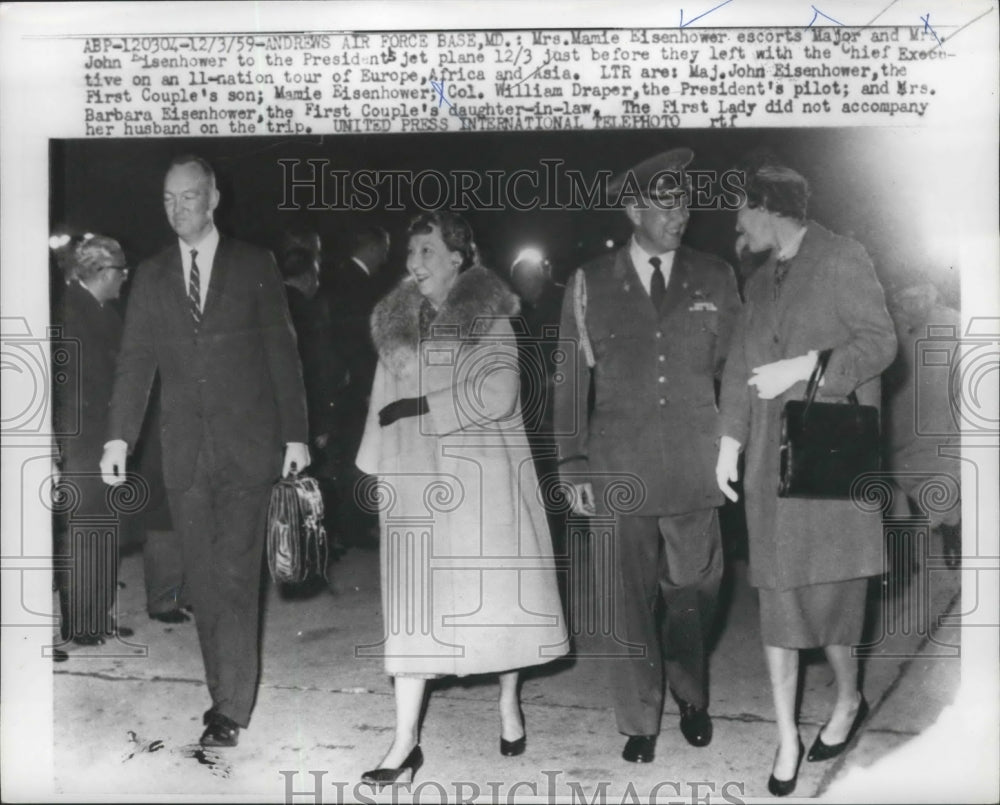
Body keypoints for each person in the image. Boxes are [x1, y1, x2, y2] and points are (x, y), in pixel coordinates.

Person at [100, 155, 309, 748]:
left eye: (188, 198)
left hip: (248, 448)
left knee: (238, 575)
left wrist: (296, 435)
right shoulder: (152, 273)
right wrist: (119, 437)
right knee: (204, 580)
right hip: (185, 452)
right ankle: (224, 690)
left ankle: (230, 708)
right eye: (167, 199)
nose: (176, 209)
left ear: (213, 199)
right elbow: (136, 361)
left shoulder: (254, 264)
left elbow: (282, 354)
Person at [355, 211, 568, 787]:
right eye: (411, 253)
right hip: (414, 481)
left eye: (427, 252)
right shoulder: (395, 318)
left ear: (458, 256)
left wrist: (425, 409)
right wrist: (374, 469)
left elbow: (498, 392)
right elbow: (382, 399)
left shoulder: (488, 312)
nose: (413, 264)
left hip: (481, 479)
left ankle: (508, 702)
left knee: (498, 604)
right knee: (413, 610)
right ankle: (404, 740)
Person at [554, 148, 741, 764]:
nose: (680, 215)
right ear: (632, 208)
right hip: (617, 468)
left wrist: (734, 443)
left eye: (685, 203)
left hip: (695, 464)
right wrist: (571, 460)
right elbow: (568, 380)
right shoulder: (588, 282)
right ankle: (638, 718)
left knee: (696, 589)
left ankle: (690, 689)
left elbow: (735, 371)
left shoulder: (715, 275)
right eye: (666, 204)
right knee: (626, 597)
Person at [715, 162, 897, 795]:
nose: (737, 224)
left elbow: (880, 344)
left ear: (768, 207)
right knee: (777, 599)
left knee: (832, 603)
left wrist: (807, 366)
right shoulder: (758, 280)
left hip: (827, 459)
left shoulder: (842, 257)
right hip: (769, 459)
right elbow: (741, 364)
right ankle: (786, 735)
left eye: (742, 210)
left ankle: (848, 700)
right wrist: (728, 442)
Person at [52, 234, 134, 647]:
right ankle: (81, 624)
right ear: (102, 273)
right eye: (121, 270)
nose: (125, 277)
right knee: (84, 535)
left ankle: (97, 617)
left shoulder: (105, 311)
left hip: (104, 441)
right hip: (80, 443)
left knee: (105, 531)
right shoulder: (68, 313)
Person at [279, 235, 348, 566]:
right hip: (308, 415)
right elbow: (321, 370)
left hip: (274, 416)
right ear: (308, 278)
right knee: (314, 485)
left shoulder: (268, 306)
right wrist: (323, 422)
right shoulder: (309, 310)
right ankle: (309, 550)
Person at [884, 279, 962, 567]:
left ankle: (906, 556)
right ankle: (950, 530)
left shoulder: (888, 324)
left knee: (901, 485)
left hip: (904, 433)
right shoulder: (954, 321)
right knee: (942, 480)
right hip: (937, 431)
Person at [327, 226, 391, 548]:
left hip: (343, 383)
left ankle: (349, 526)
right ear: (372, 246)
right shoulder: (359, 285)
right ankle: (355, 526)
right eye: (385, 248)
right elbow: (359, 342)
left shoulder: (340, 277)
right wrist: (368, 385)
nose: (387, 256)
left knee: (350, 452)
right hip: (355, 384)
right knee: (357, 452)